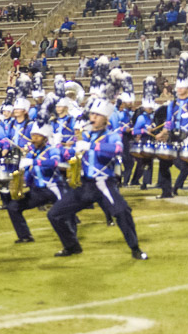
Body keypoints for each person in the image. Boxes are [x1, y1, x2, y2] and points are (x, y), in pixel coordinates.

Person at [47, 96, 148, 260]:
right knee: (54, 214)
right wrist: (57, 146)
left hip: (104, 184)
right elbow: (67, 155)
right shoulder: (84, 136)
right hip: (85, 185)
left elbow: (117, 149)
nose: (92, 118)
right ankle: (72, 246)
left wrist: (91, 146)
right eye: (92, 114)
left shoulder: (111, 135)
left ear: (106, 119)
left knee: (122, 212)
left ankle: (135, 248)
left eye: (97, 115)